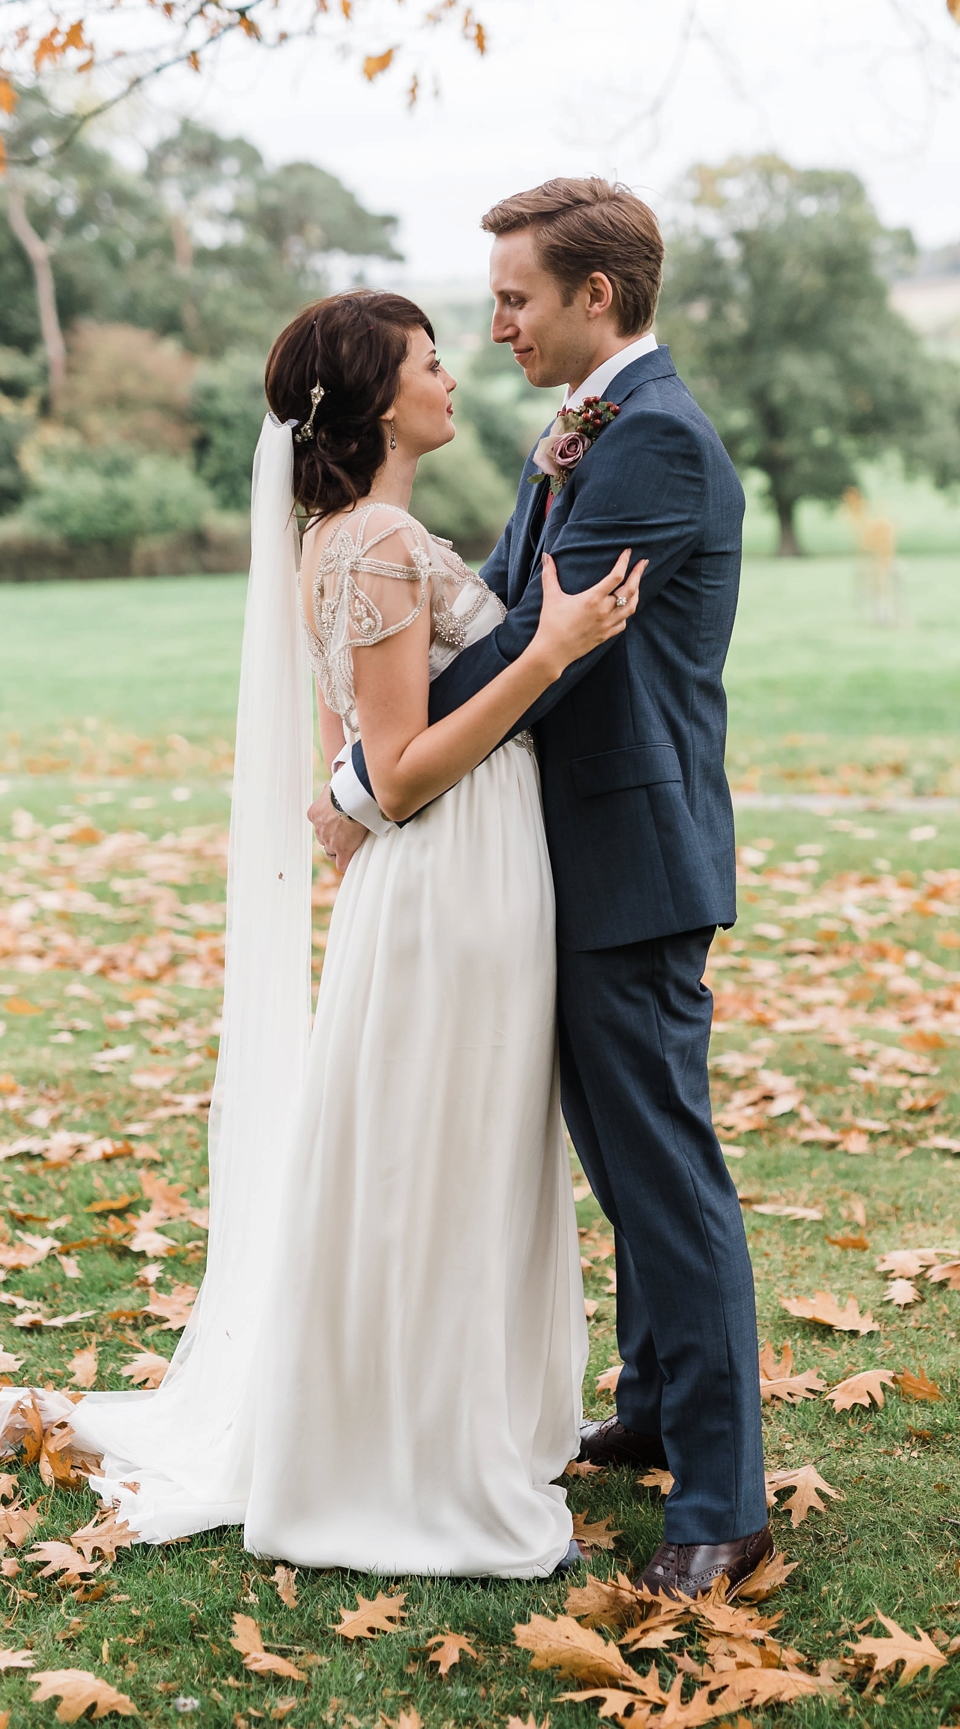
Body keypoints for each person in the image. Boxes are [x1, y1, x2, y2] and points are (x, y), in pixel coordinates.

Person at [0, 289, 644, 1580]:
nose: (451, 374)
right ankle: (416, 1450)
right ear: (382, 395)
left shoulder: (348, 535)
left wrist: (355, 788)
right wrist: (551, 649)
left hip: (455, 876)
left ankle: (446, 1412)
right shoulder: (373, 541)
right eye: (431, 359)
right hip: (451, 879)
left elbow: (345, 765)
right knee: (443, 1151)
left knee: (450, 1146)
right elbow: (402, 763)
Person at [315, 178, 771, 1599]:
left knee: (663, 1167)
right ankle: (649, 1405)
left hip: (629, 861)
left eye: (516, 297)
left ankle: (723, 1494)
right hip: (563, 859)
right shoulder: (592, 434)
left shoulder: (657, 449)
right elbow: (518, 616)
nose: (496, 321)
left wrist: (365, 778)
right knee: (619, 1156)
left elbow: (531, 648)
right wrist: (381, 756)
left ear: (597, 297)